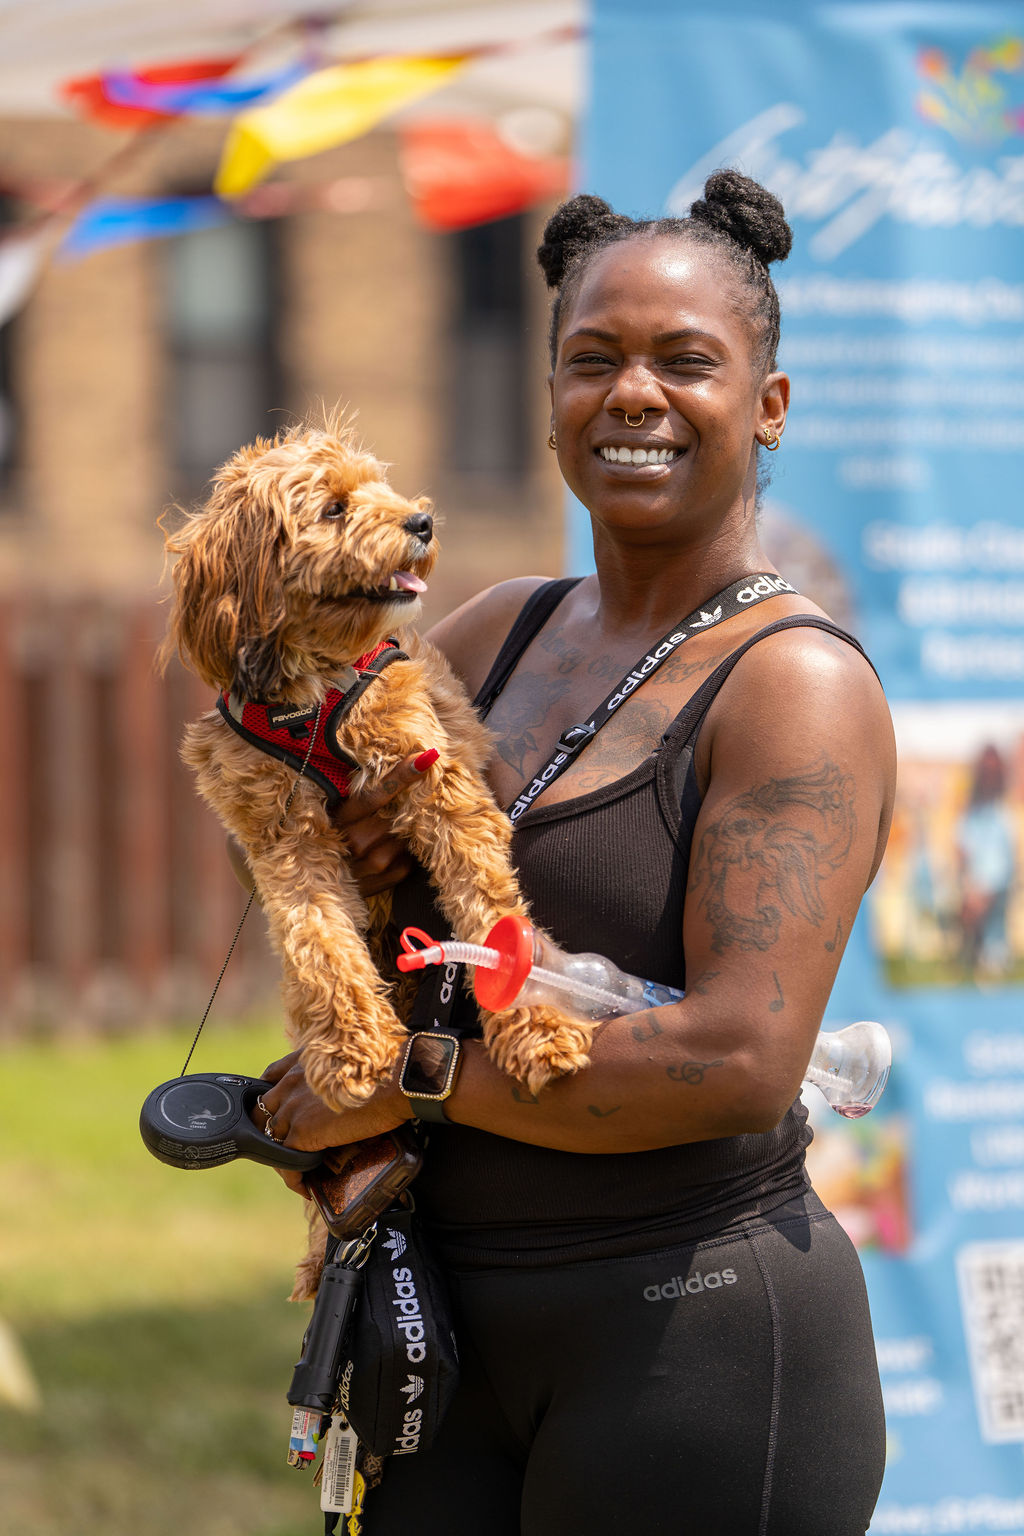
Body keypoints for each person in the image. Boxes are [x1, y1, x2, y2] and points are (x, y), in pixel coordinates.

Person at [258, 170, 896, 1535]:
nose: (632, 394)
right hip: (450, 1331)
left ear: (768, 406)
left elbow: (737, 1063)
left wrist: (404, 1089)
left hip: (692, 1340)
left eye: (685, 361)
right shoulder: (492, 636)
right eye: (591, 359)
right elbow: (340, 862)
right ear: (549, 396)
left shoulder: (796, 686)